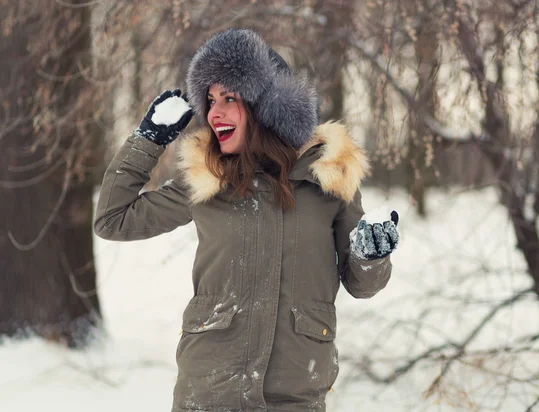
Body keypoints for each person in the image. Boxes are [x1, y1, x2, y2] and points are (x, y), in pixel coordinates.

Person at [94, 28, 399, 412]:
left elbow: (362, 284)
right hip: (209, 394)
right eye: (209, 100)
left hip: (294, 396)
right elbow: (112, 219)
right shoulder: (208, 179)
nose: (214, 111)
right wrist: (148, 140)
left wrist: (372, 256)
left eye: (229, 98)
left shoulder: (329, 179)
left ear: (265, 104)